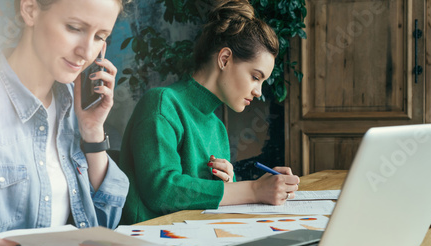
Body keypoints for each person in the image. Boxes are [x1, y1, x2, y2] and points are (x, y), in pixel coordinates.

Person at [120, 0, 300, 224]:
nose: (258, 92)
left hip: (199, 240)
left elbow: (204, 203)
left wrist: (229, 183)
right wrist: (253, 189)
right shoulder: (161, 104)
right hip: (149, 245)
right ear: (225, 59)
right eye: (255, 77)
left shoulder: (217, 128)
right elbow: (161, 191)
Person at [0, 0, 130, 246]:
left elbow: (105, 227)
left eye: (99, 37)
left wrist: (93, 133)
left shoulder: (78, 109)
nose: (86, 51)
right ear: (30, 10)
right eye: (74, 28)